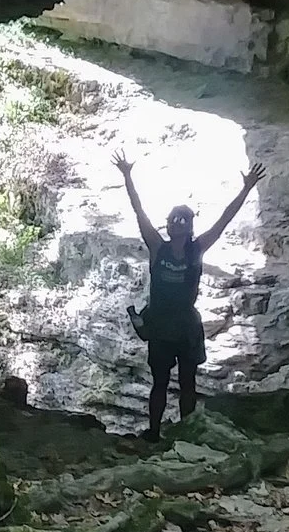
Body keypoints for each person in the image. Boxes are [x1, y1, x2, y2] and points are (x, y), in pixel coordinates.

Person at [113, 152, 265, 441]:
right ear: (168, 225)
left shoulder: (196, 249)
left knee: (187, 383)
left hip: (184, 325)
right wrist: (128, 177)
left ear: (189, 226)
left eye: (182, 220)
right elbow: (139, 212)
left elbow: (224, 220)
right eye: (174, 220)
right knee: (159, 382)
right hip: (161, 322)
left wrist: (246, 189)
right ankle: (154, 433)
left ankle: (187, 433)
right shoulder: (158, 247)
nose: (177, 224)